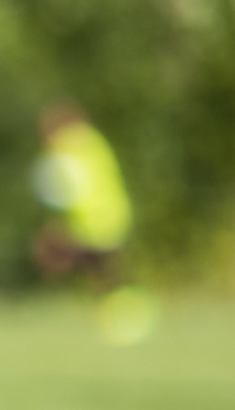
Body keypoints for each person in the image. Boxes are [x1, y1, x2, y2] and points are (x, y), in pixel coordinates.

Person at [31, 101, 155, 345]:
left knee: (64, 257)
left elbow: (62, 190)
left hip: (92, 223)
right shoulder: (94, 141)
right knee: (105, 275)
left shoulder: (65, 148)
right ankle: (123, 316)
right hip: (114, 216)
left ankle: (129, 315)